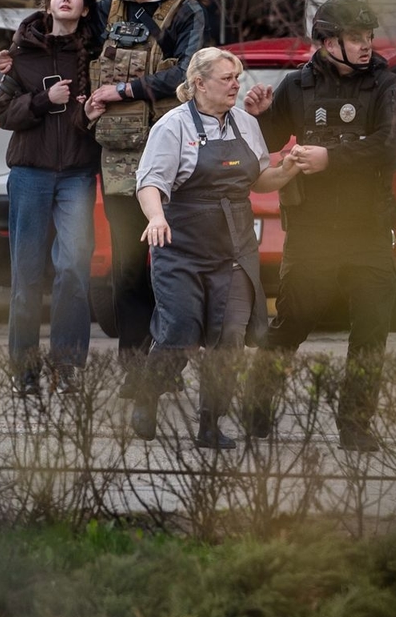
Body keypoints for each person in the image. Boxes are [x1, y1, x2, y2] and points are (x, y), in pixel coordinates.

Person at [0, 0, 208, 389]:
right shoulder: (108, 9)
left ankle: (165, 366)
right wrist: (16, 50)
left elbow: (189, 74)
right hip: (115, 159)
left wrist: (125, 91)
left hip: (171, 157)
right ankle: (133, 372)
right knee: (127, 268)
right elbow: (56, 32)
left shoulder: (186, 13)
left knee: (171, 267)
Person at [242, 0, 396, 452]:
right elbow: (270, 140)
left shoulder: (387, 85)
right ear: (327, 41)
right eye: (356, 38)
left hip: (368, 231)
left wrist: (330, 158)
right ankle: (256, 411)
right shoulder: (297, 86)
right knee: (293, 322)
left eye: (369, 38)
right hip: (312, 231)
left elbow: (390, 147)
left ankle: (355, 425)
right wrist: (259, 114)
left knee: (372, 330)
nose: (366, 46)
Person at [123, 47, 300, 448]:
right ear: (199, 83)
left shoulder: (245, 124)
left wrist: (287, 169)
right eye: (227, 78)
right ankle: (148, 393)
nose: (236, 85)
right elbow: (150, 183)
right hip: (181, 248)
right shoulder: (171, 127)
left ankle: (210, 423)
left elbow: (259, 182)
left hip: (235, 251)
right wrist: (156, 217)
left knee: (229, 339)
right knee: (180, 330)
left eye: (238, 77)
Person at [0, 0, 101, 397]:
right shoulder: (22, 56)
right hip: (30, 173)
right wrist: (43, 101)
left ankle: (68, 368)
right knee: (27, 274)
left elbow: (104, 112)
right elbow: (1, 111)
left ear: (86, 9)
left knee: (74, 268)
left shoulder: (94, 56)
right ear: (48, 5)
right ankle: (25, 371)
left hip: (76, 172)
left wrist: (89, 110)